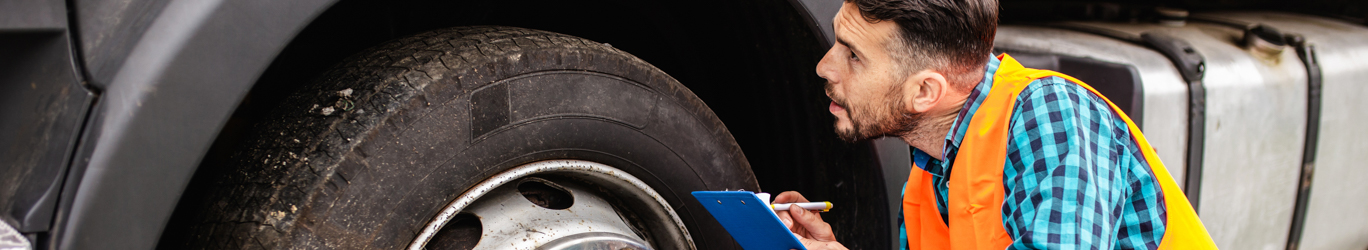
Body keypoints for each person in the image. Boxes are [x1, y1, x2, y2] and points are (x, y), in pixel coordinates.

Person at [772, 0, 1218, 249]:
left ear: (925, 92)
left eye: (853, 55)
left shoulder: (1050, 114)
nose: (824, 67)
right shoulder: (929, 174)